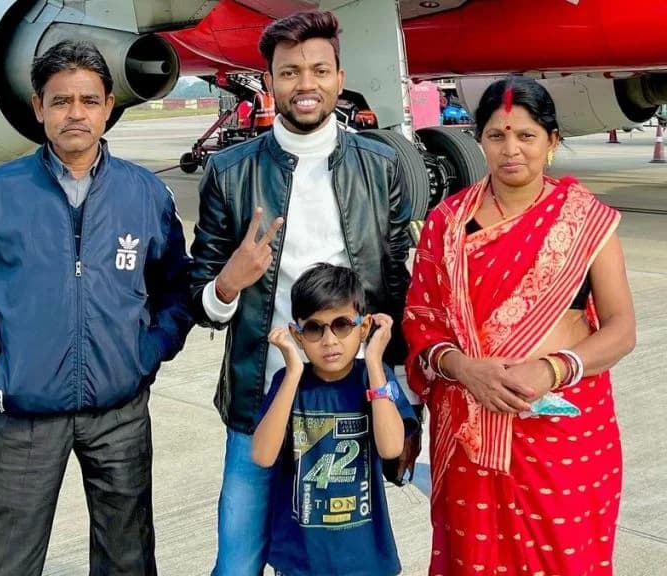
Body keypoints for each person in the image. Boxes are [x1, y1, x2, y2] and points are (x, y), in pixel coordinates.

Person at [0, 40, 193, 576]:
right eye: (61, 100)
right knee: (5, 564)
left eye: (89, 101)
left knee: (128, 561)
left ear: (109, 107)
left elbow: (175, 291)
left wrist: (148, 352)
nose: (76, 113)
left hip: (119, 415)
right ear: (38, 108)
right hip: (22, 416)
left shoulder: (144, 194)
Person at [188, 10, 417, 575]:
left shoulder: (380, 164)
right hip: (262, 395)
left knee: (339, 559)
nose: (305, 84)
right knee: (237, 561)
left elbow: (393, 280)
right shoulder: (229, 171)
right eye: (289, 73)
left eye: (319, 70)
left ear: (340, 78)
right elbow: (202, 297)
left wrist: (399, 378)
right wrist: (229, 282)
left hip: (347, 404)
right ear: (269, 83)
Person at [403, 77, 636, 575]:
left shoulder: (586, 221)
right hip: (472, 432)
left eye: (526, 136)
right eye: (496, 136)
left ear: (551, 142)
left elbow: (620, 329)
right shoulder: (446, 223)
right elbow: (421, 321)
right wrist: (465, 369)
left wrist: (552, 369)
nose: (511, 150)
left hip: (563, 435)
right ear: (479, 140)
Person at [252, 263, 409, 576]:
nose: (329, 340)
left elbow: (391, 447)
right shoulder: (289, 382)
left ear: (362, 329)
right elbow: (262, 455)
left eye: (341, 325)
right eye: (314, 328)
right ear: (298, 336)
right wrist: (294, 372)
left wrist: (375, 361)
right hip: (301, 558)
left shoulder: (374, 378)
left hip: (364, 559)